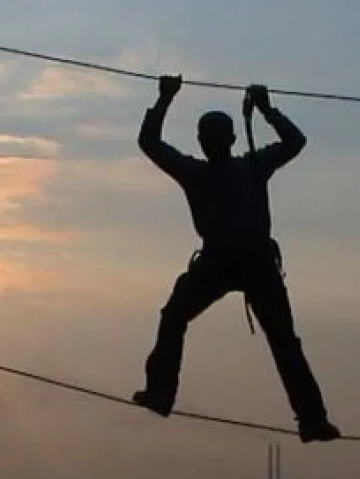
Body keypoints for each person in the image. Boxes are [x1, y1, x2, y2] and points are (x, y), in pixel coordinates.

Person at [132, 74, 341, 443]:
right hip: (233, 262)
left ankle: (163, 394)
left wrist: (165, 99)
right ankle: (312, 418)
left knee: (184, 320)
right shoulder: (241, 167)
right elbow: (295, 142)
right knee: (281, 341)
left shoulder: (211, 171)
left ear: (214, 141)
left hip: (239, 262)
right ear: (224, 140)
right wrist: (265, 109)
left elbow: (149, 142)